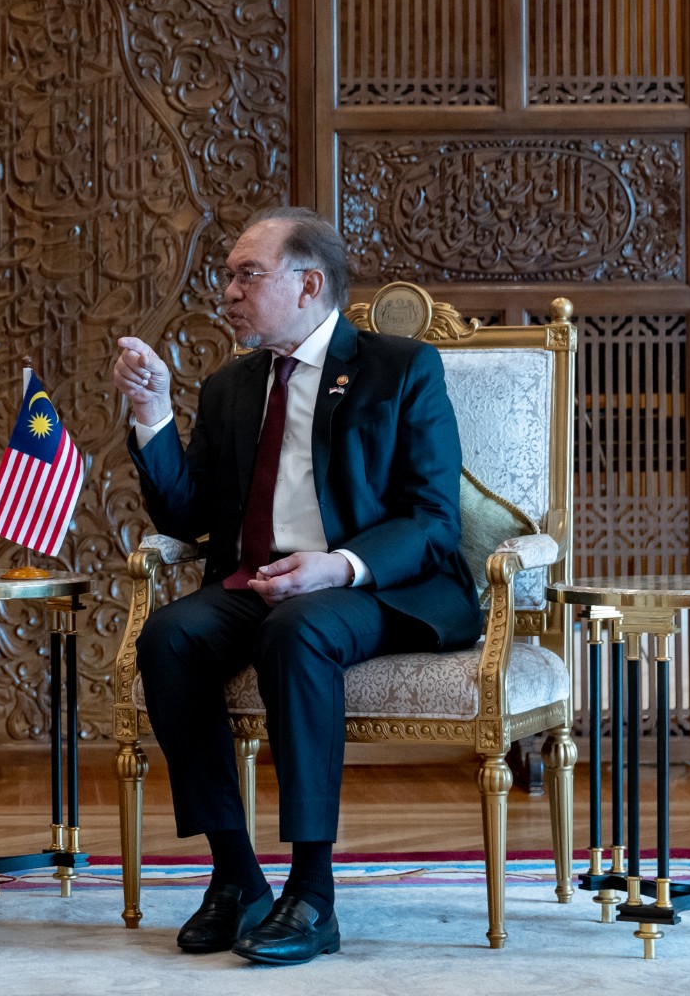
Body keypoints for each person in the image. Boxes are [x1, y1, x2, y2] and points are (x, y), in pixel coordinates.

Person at [109, 207, 478, 966]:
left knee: (299, 629)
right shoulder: (230, 388)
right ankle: (236, 876)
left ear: (310, 283)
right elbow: (189, 513)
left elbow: (434, 518)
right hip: (258, 580)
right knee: (169, 636)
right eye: (228, 276)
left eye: (248, 275)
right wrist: (151, 416)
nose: (229, 292)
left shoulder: (400, 370)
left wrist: (338, 565)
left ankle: (313, 893)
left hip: (373, 587)